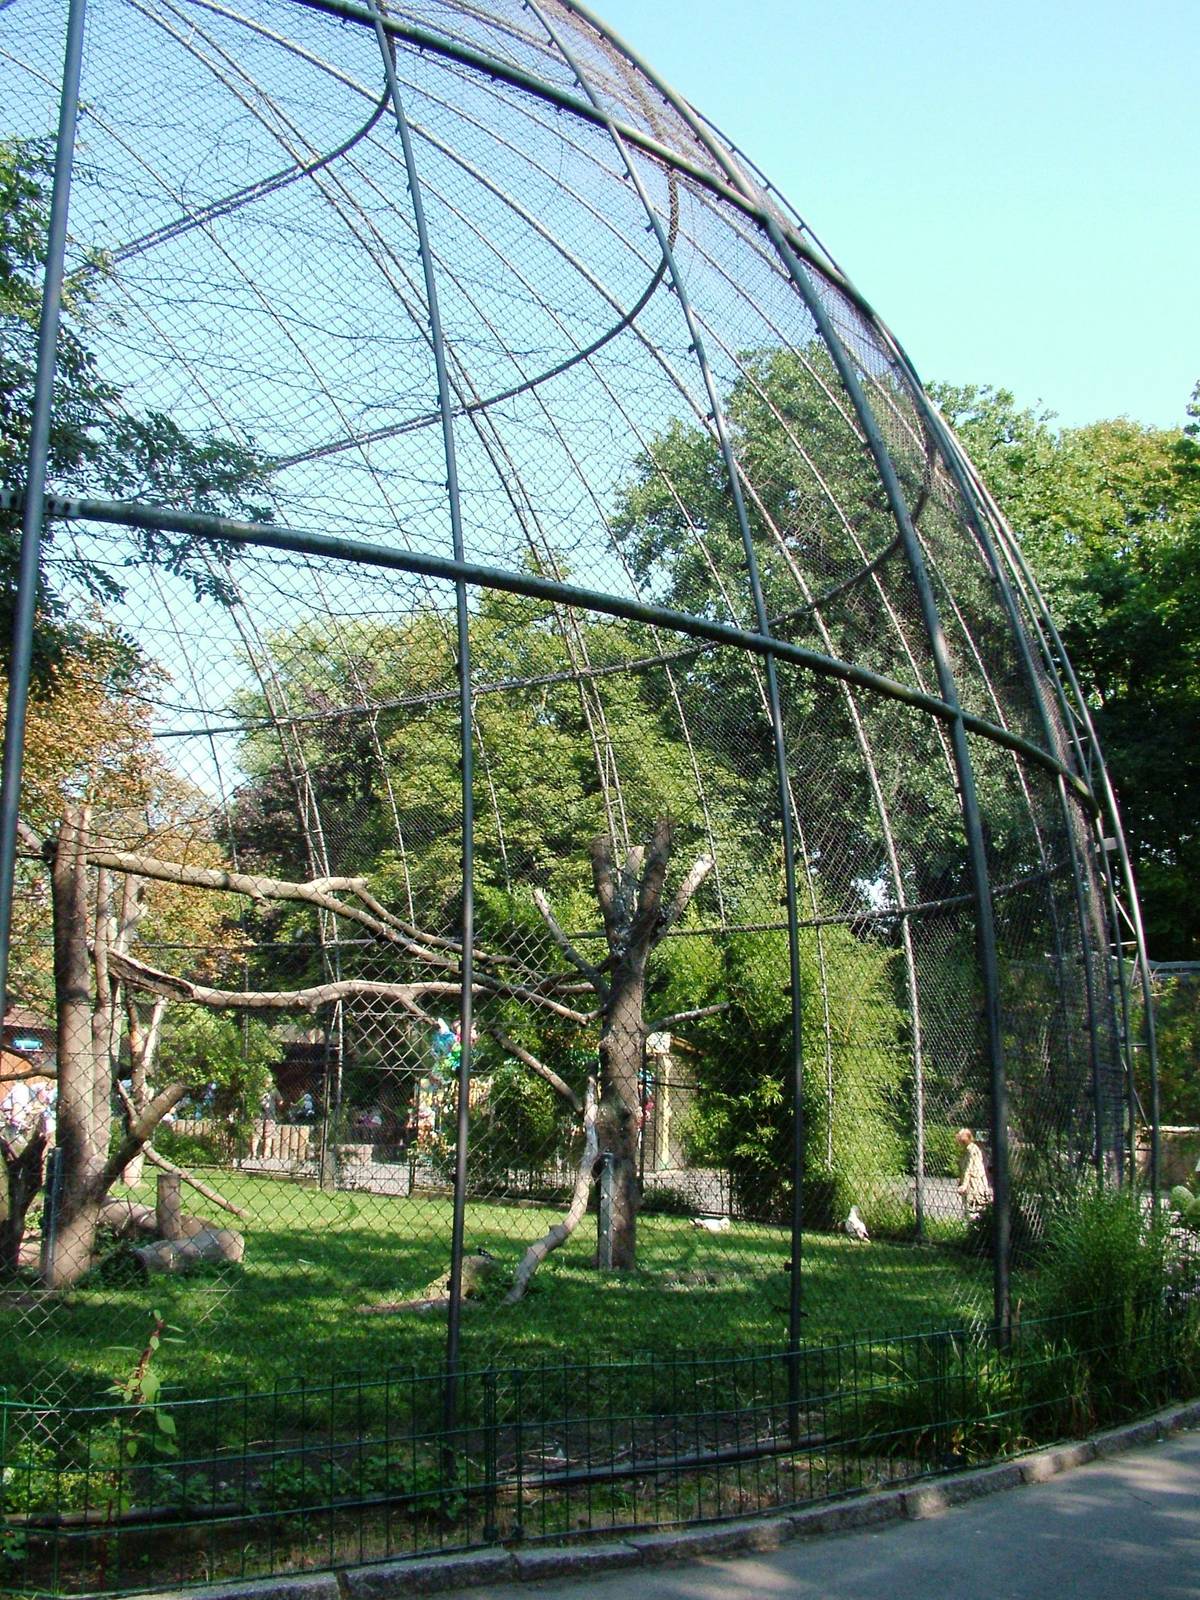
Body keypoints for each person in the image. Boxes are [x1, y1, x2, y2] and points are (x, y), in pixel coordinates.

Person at [955, 1127, 992, 1220]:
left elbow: (969, 1168)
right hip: (972, 1182)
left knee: (975, 1207)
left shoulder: (971, 1150)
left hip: (974, 1183)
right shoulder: (968, 1149)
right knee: (971, 1207)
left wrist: (964, 1185)